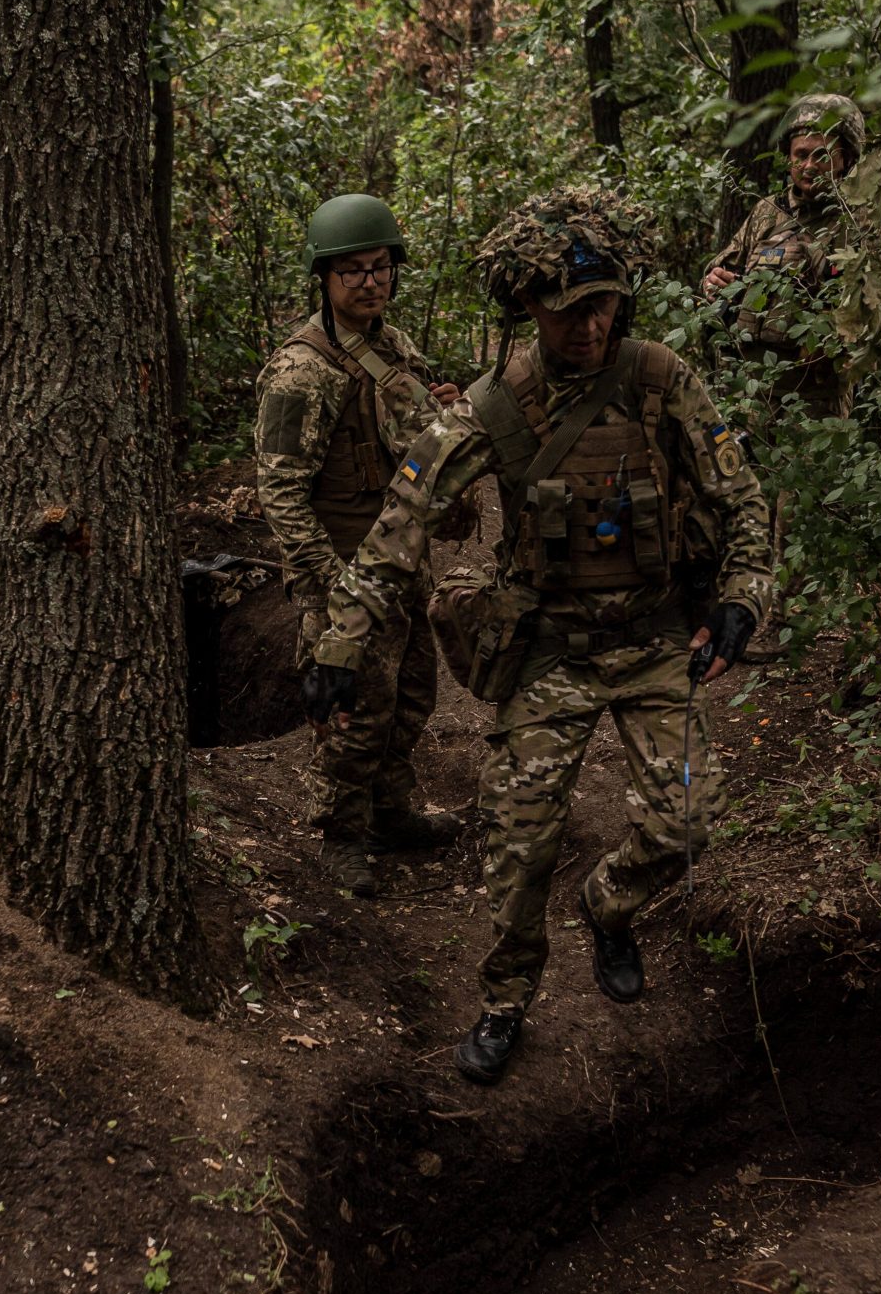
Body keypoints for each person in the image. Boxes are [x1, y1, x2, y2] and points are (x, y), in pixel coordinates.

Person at [303, 187, 774, 1085]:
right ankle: (506, 1000)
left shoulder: (661, 378)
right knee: (520, 847)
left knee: (687, 823)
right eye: (569, 313)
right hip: (549, 653)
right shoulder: (492, 408)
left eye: (603, 308)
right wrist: (339, 644)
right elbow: (398, 527)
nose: (590, 328)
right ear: (530, 309)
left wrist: (743, 597)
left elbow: (739, 496)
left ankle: (609, 905)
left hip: (653, 642)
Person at [254, 194, 465, 897]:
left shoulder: (392, 345)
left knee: (409, 694)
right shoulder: (301, 371)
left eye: (381, 268)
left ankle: (391, 812)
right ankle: (342, 836)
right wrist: (325, 581)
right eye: (354, 271)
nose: (371, 282)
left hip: (403, 561)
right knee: (351, 712)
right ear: (325, 277)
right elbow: (281, 491)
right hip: (345, 570)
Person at [700, 94, 881, 419]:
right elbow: (719, 272)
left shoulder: (862, 219)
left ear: (845, 158)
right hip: (751, 396)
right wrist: (713, 280)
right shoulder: (766, 212)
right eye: (800, 155)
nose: (809, 166)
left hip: (821, 404)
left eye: (821, 155)